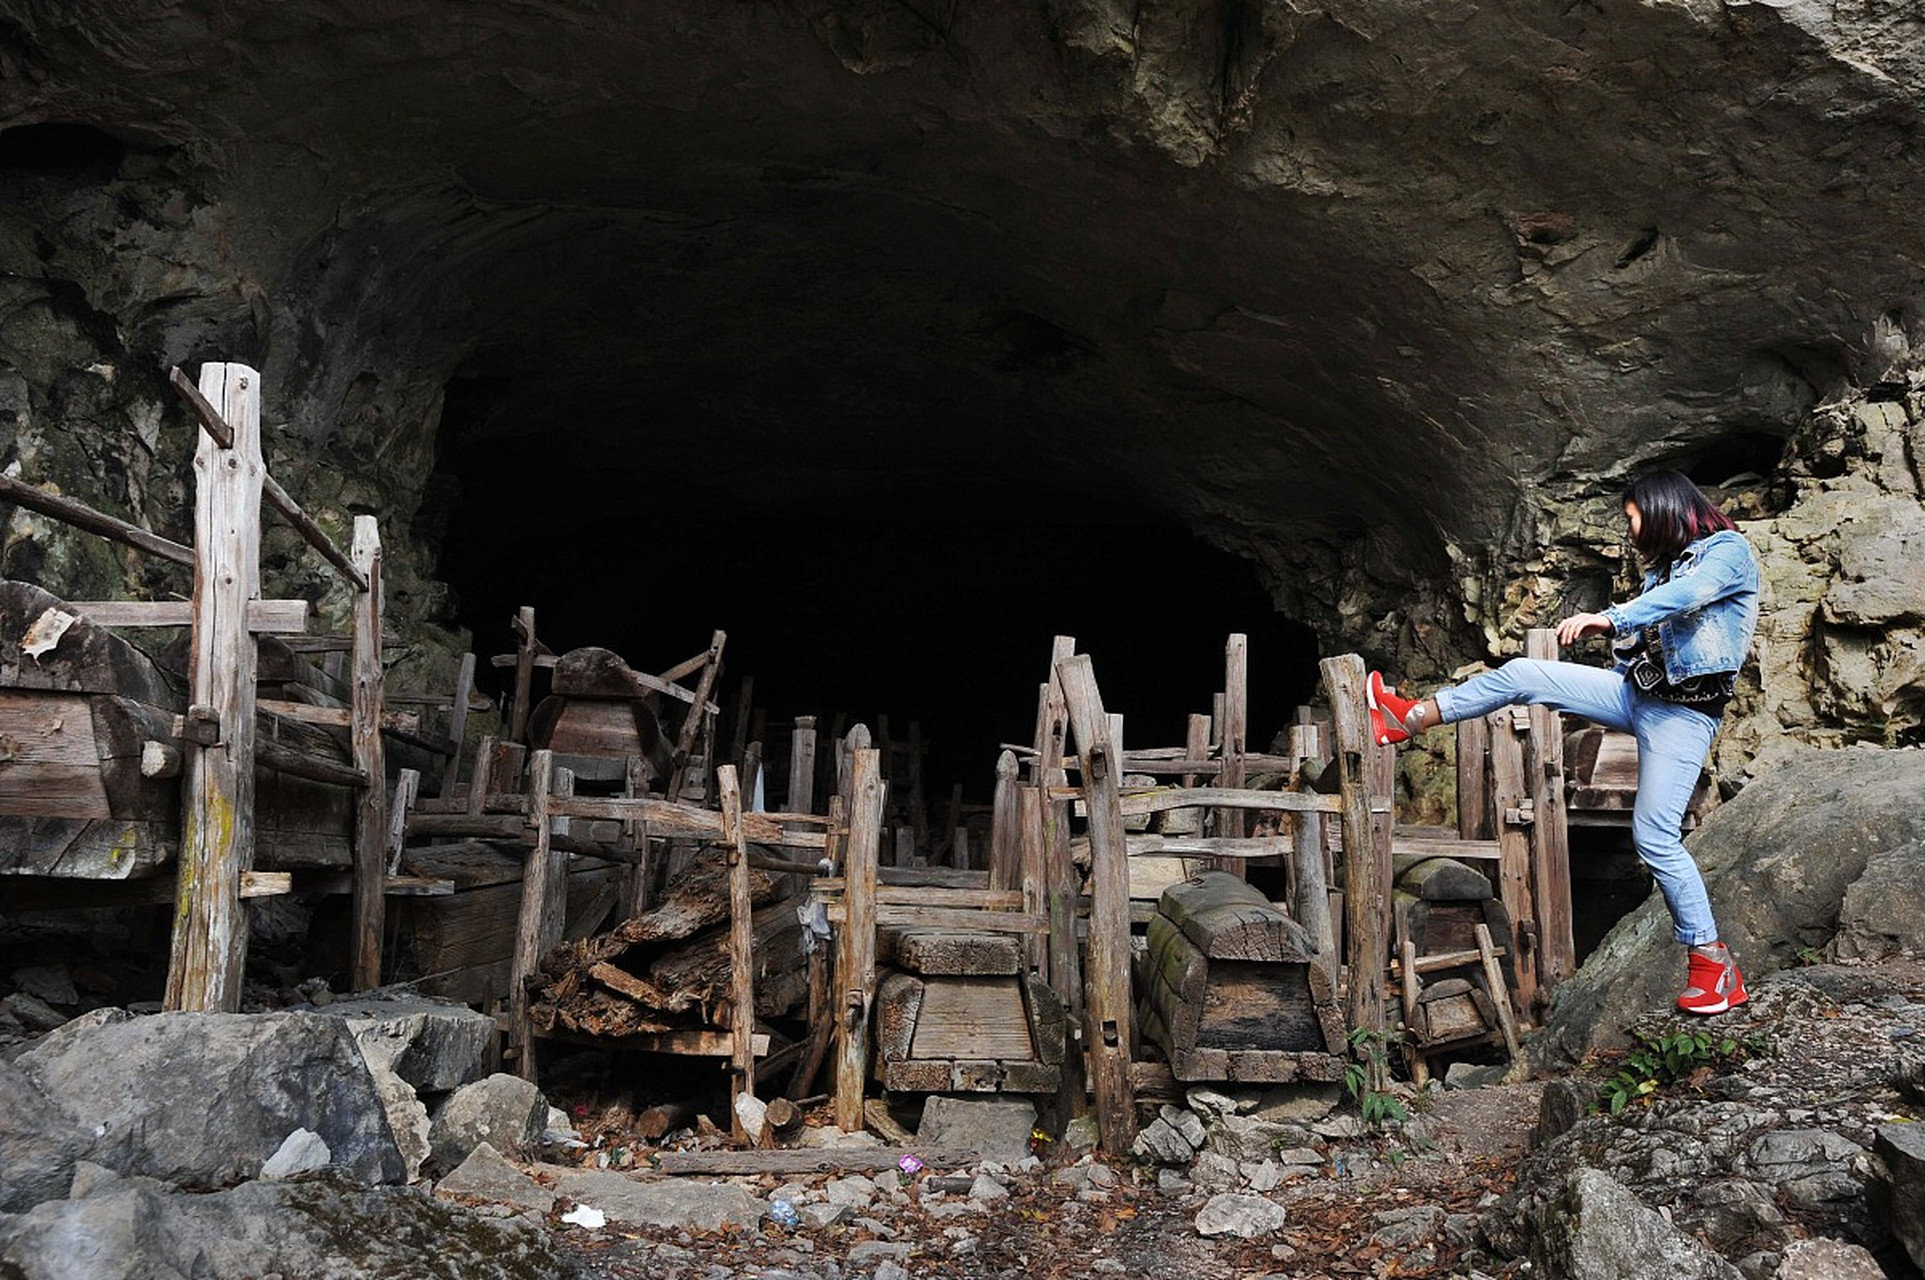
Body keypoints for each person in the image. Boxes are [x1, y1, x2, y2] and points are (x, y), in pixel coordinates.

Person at [1366, 470, 1761, 1015]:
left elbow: (1688, 597)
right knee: (1527, 672)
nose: (1630, 529)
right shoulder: (1664, 570)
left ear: (1664, 508)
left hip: (1683, 717)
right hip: (1636, 696)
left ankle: (1714, 966)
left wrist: (1609, 618)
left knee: (1655, 839)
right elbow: (1652, 634)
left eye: (1632, 517)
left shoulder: (1728, 552)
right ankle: (1406, 718)